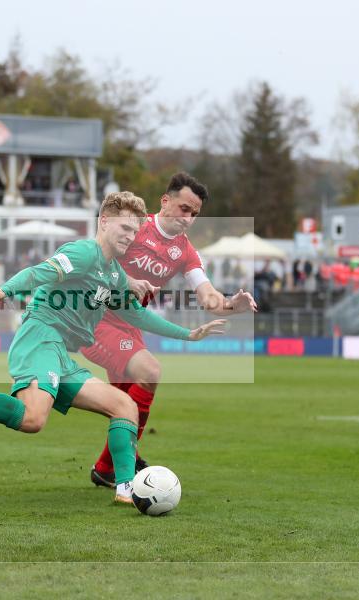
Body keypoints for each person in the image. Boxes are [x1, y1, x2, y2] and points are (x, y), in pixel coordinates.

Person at [0, 191, 226, 504]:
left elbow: (135, 314)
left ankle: (126, 490)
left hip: (61, 354)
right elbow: (39, 272)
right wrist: (5, 290)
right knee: (32, 418)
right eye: (123, 228)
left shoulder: (114, 273)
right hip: (40, 338)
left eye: (135, 232)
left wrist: (188, 334)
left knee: (125, 406)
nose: (130, 236)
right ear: (104, 222)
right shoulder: (83, 252)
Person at [79, 172, 257, 488]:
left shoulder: (186, 252)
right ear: (165, 201)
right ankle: (122, 459)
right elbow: (94, 258)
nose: (188, 219)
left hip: (130, 330)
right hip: (96, 320)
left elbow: (207, 296)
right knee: (150, 371)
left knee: (124, 405)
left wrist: (232, 305)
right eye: (184, 209)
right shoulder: (134, 227)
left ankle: (109, 466)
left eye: (195, 214)